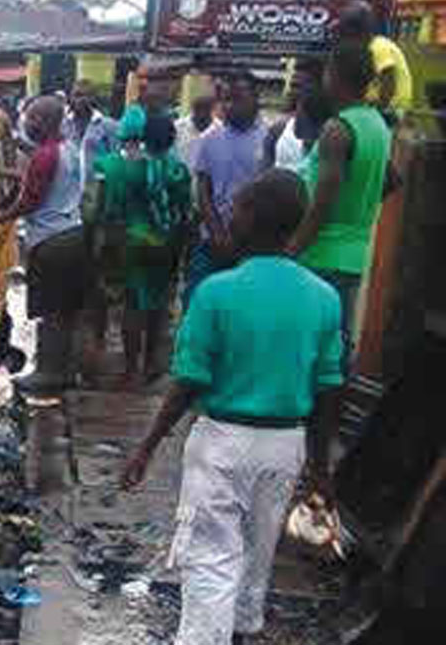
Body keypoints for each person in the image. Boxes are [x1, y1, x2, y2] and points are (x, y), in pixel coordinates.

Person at [122, 169, 344, 645]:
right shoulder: (323, 298)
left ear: (255, 220)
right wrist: (320, 470)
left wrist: (147, 446)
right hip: (286, 446)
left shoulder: (216, 292)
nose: (230, 217)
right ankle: (241, 635)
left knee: (211, 561)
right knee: (256, 557)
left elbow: (189, 382)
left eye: (238, 208)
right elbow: (328, 389)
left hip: (223, 441)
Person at [288, 42, 392, 376]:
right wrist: (361, 202)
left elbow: (321, 206)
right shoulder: (377, 124)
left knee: (309, 354)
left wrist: (288, 252)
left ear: (336, 76)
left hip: (320, 256)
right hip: (355, 254)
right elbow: (392, 180)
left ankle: (308, 424)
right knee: (334, 350)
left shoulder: (337, 129)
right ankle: (326, 425)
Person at [0, 95, 87, 390]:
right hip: (73, 233)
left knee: (50, 311)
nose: (27, 123)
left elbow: (30, 200)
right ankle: (62, 370)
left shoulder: (45, 155)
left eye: (32, 118)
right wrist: (1, 172)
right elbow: (36, 179)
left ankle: (47, 373)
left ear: (44, 122)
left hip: (51, 241)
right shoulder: (68, 149)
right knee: (64, 311)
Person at [91, 105, 192, 385]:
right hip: (167, 244)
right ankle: (151, 365)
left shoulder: (130, 168)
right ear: (172, 140)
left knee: (134, 305)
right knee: (160, 305)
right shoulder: (179, 170)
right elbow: (185, 212)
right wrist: (180, 245)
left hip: (135, 242)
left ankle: (130, 367)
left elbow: (111, 209)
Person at [186, 71, 267, 306]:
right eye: (226, 100)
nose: (230, 106)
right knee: (198, 304)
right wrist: (218, 235)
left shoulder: (269, 139)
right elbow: (203, 190)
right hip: (212, 242)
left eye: (237, 99)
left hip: (252, 247)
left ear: (256, 99)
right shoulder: (210, 139)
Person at [335, 1, 413, 123]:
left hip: (391, 110)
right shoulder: (369, 47)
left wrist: (376, 112)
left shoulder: (379, 47)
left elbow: (388, 83)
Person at [264, 62, 329, 173]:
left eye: (299, 86)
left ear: (319, 87)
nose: (291, 91)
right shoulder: (278, 131)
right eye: (292, 85)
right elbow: (263, 177)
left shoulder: (334, 133)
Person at [63, 80, 119, 176]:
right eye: (77, 95)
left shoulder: (108, 125)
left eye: (86, 95)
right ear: (70, 98)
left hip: (97, 181)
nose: (81, 100)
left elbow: (116, 156)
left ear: (93, 98)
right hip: (69, 183)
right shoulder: (62, 124)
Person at [176, 92, 218, 170]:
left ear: (212, 110)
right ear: (193, 109)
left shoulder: (220, 129)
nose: (202, 114)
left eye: (206, 111)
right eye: (198, 110)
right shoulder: (178, 127)